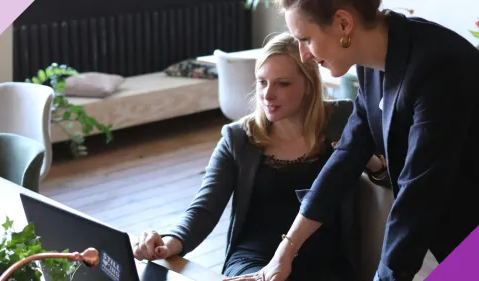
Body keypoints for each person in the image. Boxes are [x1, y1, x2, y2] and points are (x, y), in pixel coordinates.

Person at [223, 1, 479, 281]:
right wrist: (285, 252)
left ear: (344, 24)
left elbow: (418, 193)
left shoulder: (438, 65)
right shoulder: (373, 65)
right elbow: (346, 155)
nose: (303, 55)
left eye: (305, 39)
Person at [132, 32, 387, 281]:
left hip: (325, 263)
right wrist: (169, 242)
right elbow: (204, 209)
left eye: (282, 83)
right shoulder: (238, 138)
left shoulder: (343, 118)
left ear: (309, 85)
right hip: (253, 259)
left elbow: (390, 178)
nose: (267, 94)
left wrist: (368, 160)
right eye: (262, 82)